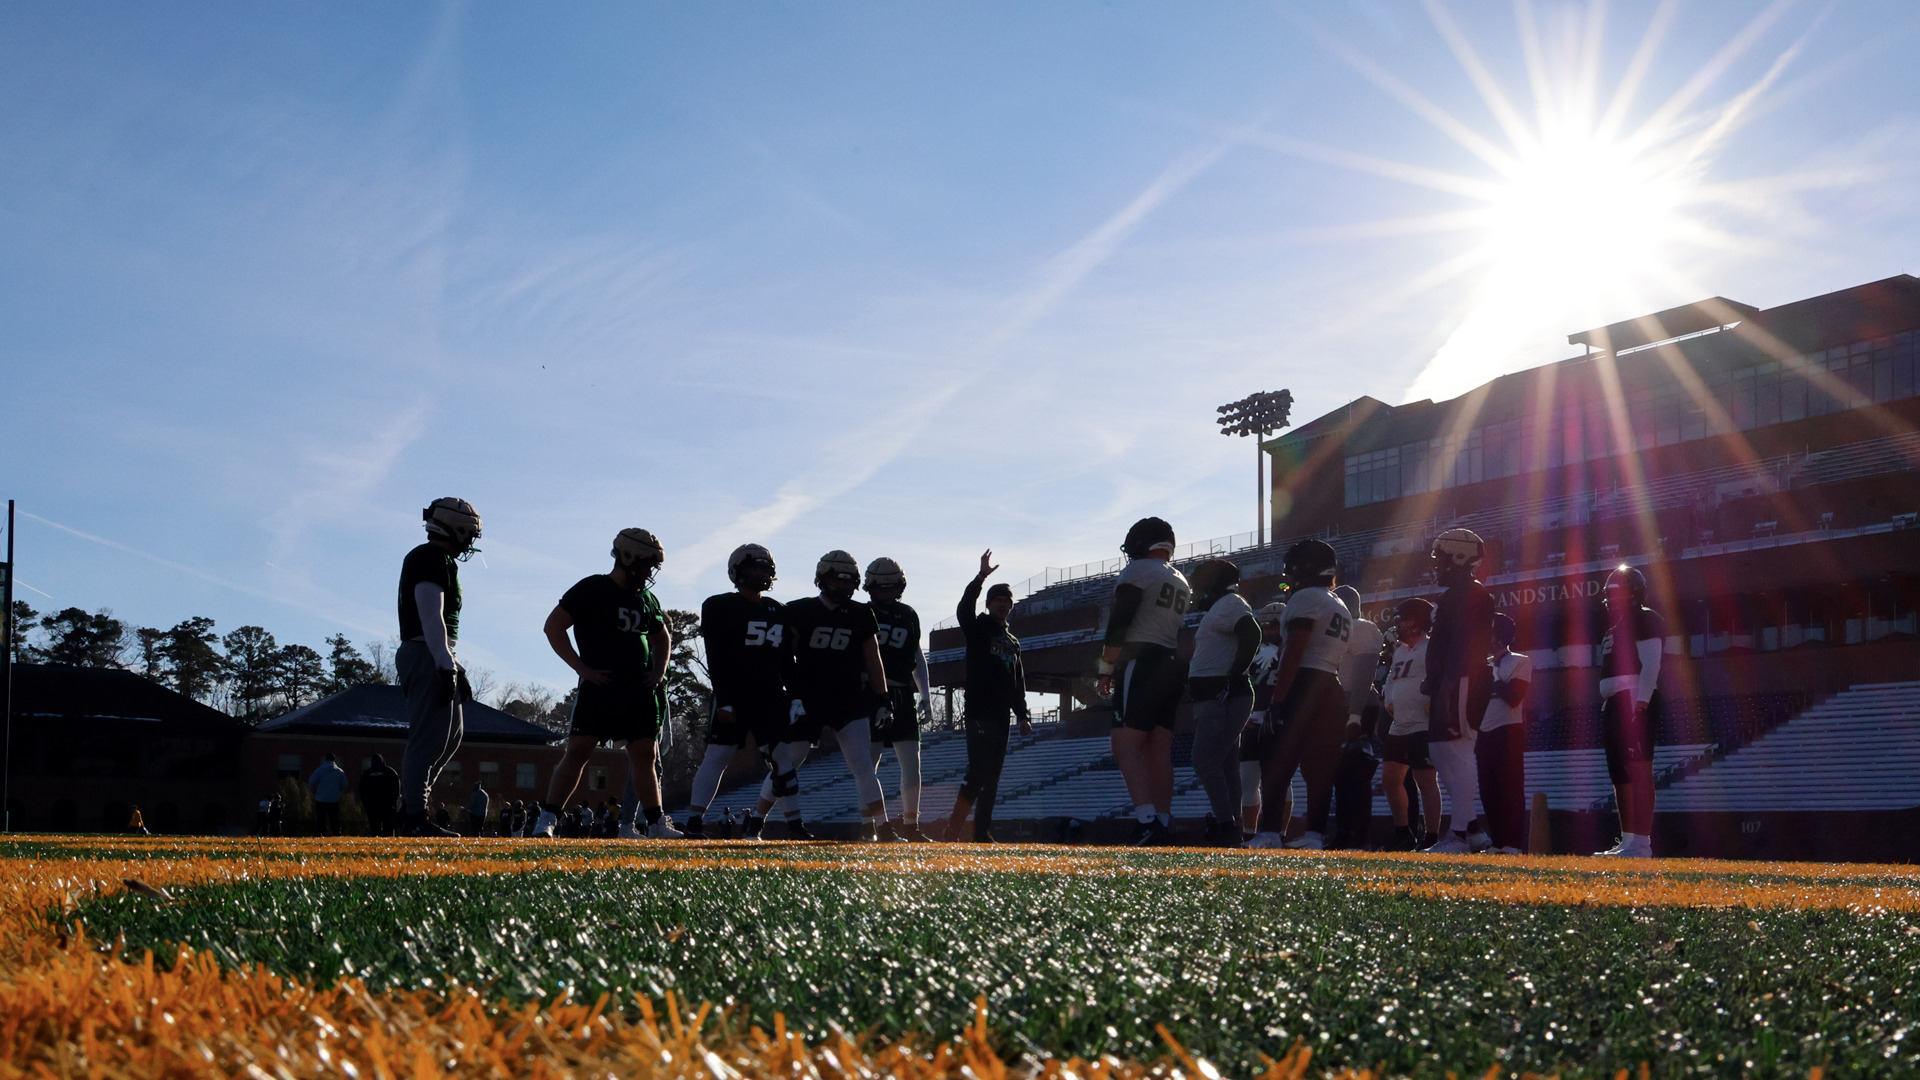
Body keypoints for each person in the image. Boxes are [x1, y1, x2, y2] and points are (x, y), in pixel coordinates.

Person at [535, 528, 682, 840]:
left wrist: (658, 672)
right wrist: (580, 667)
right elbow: (553, 626)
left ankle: (656, 823)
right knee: (579, 749)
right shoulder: (593, 587)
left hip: (638, 689)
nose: (648, 573)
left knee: (645, 754)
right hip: (600, 686)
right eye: (645, 565)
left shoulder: (647, 598)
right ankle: (547, 818)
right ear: (628, 557)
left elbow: (662, 637)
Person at [1245, 540, 1351, 850]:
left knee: (1277, 758)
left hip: (1303, 682)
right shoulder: (1338, 603)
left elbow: (1294, 650)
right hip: (1330, 684)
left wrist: (1278, 701)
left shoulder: (1305, 597)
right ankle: (1315, 834)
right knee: (1319, 768)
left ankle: (1269, 832)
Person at [782, 550, 894, 841]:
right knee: (791, 759)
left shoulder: (860, 613)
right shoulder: (799, 610)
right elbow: (784, 658)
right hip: (809, 696)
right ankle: (757, 820)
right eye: (838, 579)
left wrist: (883, 698)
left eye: (849, 581)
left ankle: (883, 826)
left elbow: (873, 659)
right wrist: (792, 694)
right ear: (823, 578)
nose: (844, 586)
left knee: (862, 763)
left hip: (847, 696)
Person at [1095, 517, 1191, 846]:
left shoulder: (1138, 571)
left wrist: (1106, 667)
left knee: (1125, 746)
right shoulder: (1180, 579)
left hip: (1142, 661)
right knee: (1158, 751)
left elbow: (1120, 624)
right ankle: (1164, 820)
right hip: (1171, 662)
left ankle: (1147, 820)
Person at [691, 544, 793, 839]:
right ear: (737, 571)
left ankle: (789, 824)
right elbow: (716, 657)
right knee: (719, 754)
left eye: (763, 568)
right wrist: (724, 698)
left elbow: (787, 660)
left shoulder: (779, 611)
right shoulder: (719, 606)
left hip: (771, 695)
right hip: (735, 691)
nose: (759, 574)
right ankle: (695, 820)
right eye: (753, 568)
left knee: (783, 760)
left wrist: (795, 696)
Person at [397, 497, 482, 838]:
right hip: (426, 653)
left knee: (451, 738)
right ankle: (414, 814)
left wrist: (453, 665)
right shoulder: (430, 556)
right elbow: (430, 617)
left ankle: (414, 807)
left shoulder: (441, 559)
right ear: (456, 527)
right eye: (469, 533)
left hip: (437, 653)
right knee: (428, 739)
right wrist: (445, 664)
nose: (471, 540)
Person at [938, 550, 1031, 843]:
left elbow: (1018, 682)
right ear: (989, 604)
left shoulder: (1013, 642)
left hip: (1002, 716)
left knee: (992, 778)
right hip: (979, 711)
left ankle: (981, 832)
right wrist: (980, 578)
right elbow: (964, 609)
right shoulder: (978, 629)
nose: (1003, 605)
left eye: (1007, 602)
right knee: (978, 772)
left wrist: (1023, 715)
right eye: (998, 601)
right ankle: (952, 828)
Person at [1421, 528, 1495, 854]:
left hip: (1463, 680)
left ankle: (1460, 835)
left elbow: (1465, 644)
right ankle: (1474, 829)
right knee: (1440, 752)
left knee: (1460, 752)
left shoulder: (1471, 593)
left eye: (1441, 558)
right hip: (1449, 681)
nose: (1436, 565)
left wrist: (1449, 682)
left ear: (1459, 557)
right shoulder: (1454, 593)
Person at [1186, 559, 1261, 847]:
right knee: (1226, 764)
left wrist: (1232, 675)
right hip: (1221, 695)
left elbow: (1251, 631)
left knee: (1204, 761)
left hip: (1222, 696)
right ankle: (1233, 827)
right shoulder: (1226, 605)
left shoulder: (1229, 603)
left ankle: (1225, 824)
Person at [863, 557, 935, 842]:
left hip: (903, 694)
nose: (886, 592)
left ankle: (911, 825)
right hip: (871, 693)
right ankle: (868, 825)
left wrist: (926, 695)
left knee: (912, 762)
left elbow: (917, 655)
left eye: (891, 587)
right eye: (881, 587)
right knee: (869, 762)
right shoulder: (862, 613)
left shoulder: (908, 614)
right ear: (870, 587)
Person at [1597, 565, 1665, 858]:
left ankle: (1642, 843)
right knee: (1619, 775)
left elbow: (1651, 664)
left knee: (1638, 771)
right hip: (1614, 702)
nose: (1611, 599)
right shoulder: (1615, 628)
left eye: (1617, 593)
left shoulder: (1645, 617)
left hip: (1633, 699)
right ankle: (1627, 841)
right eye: (1609, 594)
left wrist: (1641, 702)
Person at [1381, 599, 1442, 852]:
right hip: (1400, 724)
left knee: (1425, 779)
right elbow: (1392, 682)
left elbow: (1439, 679)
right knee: (1390, 779)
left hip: (1422, 723)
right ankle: (1403, 831)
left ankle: (1431, 836)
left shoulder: (1431, 647)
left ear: (1418, 622)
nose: (1399, 625)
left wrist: (1433, 705)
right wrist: (1389, 702)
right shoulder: (1400, 651)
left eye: (1404, 620)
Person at [1331, 585, 1385, 849]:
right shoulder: (1342, 629)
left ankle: (1357, 836)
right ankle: (1345, 833)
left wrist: (1354, 713)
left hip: (1359, 703)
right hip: (1344, 704)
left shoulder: (1362, 627)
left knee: (1356, 772)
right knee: (1341, 774)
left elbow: (1364, 674)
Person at [1478, 613, 1532, 855]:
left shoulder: (1521, 661)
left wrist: (1494, 676)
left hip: (1508, 731)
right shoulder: (1483, 663)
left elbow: (1513, 698)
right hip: (1484, 732)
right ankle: (1498, 841)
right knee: (1487, 790)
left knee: (1510, 789)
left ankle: (1512, 843)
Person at [1241, 602, 1286, 836]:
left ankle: (1281, 834)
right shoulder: (1253, 650)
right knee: (1248, 779)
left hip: (1278, 717)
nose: (1269, 629)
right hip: (1252, 717)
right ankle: (1249, 834)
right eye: (1265, 624)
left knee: (1280, 780)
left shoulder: (1293, 648)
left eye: (1274, 624)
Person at [305, 753, 349, 836]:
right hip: (334, 799)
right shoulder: (339, 771)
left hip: (320, 799)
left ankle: (321, 835)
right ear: (334, 760)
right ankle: (336, 835)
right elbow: (345, 784)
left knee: (321, 820)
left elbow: (311, 782)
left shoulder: (320, 770)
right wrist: (338, 790)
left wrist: (315, 791)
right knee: (335, 820)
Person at [358, 753, 400, 837]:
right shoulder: (389, 772)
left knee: (374, 827)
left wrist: (365, 804)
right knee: (388, 827)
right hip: (387, 804)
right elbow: (397, 787)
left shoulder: (367, 773)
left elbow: (361, 790)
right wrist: (394, 801)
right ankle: (389, 844)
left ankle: (376, 842)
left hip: (372, 805)